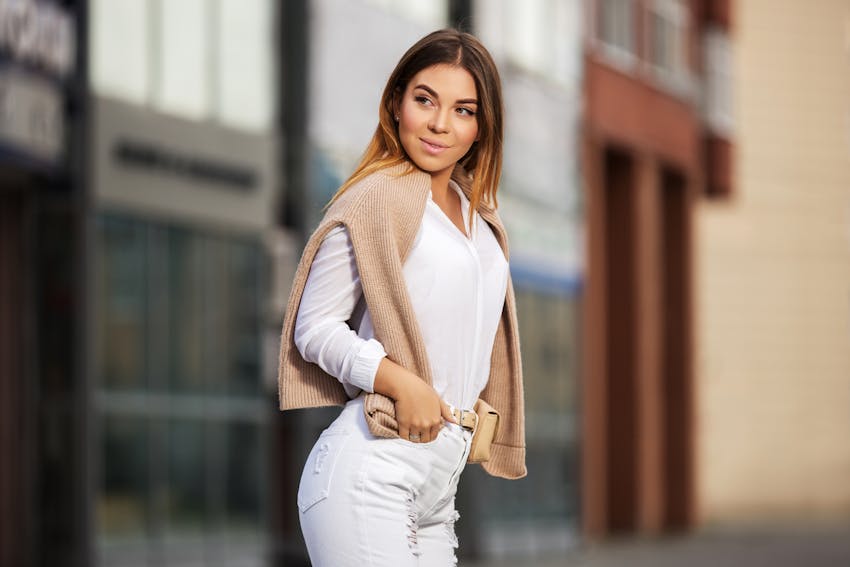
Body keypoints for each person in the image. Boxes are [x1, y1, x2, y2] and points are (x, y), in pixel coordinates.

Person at [277, 28, 526, 566]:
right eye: (425, 100)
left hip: (441, 479)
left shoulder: (480, 218)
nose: (440, 124)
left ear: (483, 128)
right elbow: (314, 326)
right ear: (396, 104)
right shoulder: (375, 197)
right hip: (372, 467)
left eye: (464, 110)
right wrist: (398, 380)